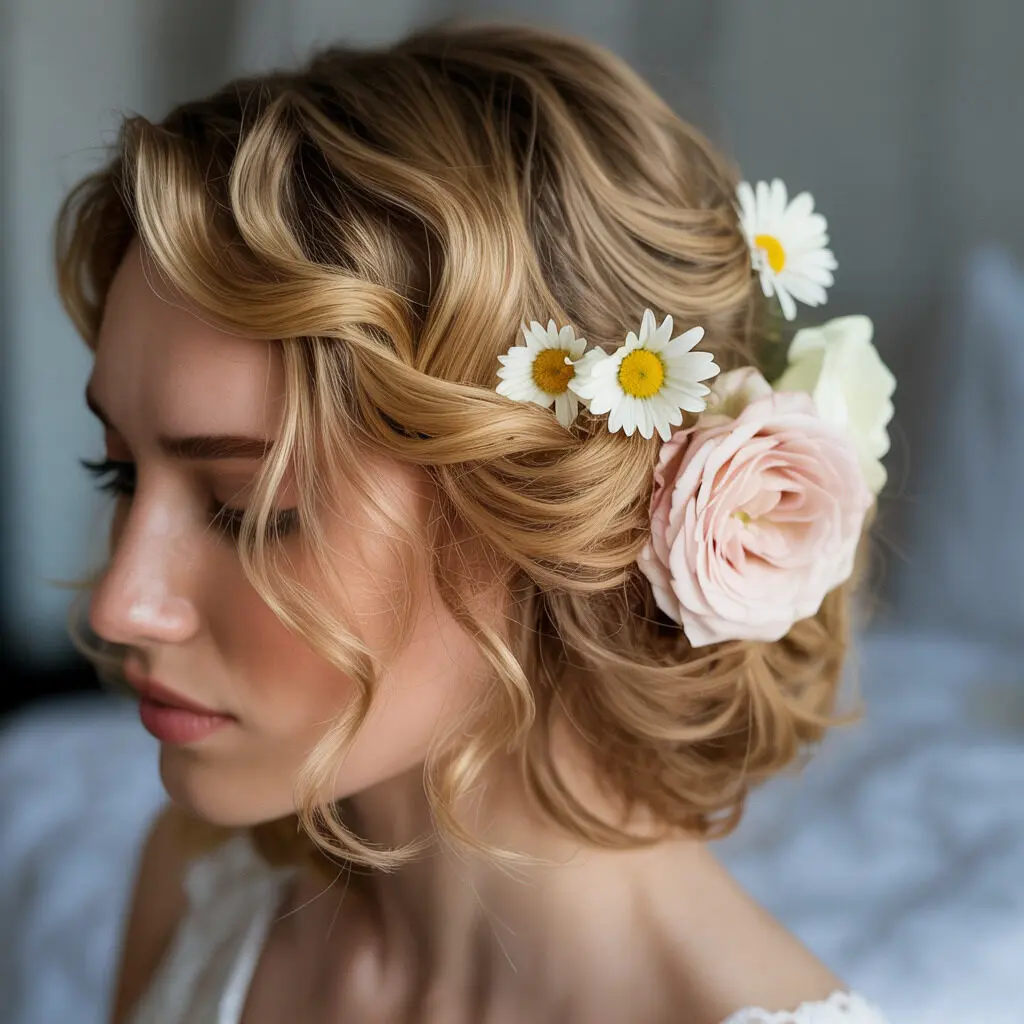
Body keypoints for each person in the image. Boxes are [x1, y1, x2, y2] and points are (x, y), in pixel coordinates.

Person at [56, 20, 896, 1024]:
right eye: (118, 478)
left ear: (547, 515)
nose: (118, 606)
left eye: (249, 510)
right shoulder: (199, 884)